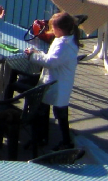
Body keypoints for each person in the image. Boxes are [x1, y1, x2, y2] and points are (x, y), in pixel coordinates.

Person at [25, 11, 80, 151]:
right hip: (60, 82)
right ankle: (49, 138)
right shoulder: (68, 40)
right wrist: (39, 54)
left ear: (60, 29)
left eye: (53, 28)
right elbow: (52, 58)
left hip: (56, 84)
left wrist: (33, 56)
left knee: (53, 112)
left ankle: (58, 140)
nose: (51, 30)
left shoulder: (63, 44)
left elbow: (51, 62)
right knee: (56, 111)